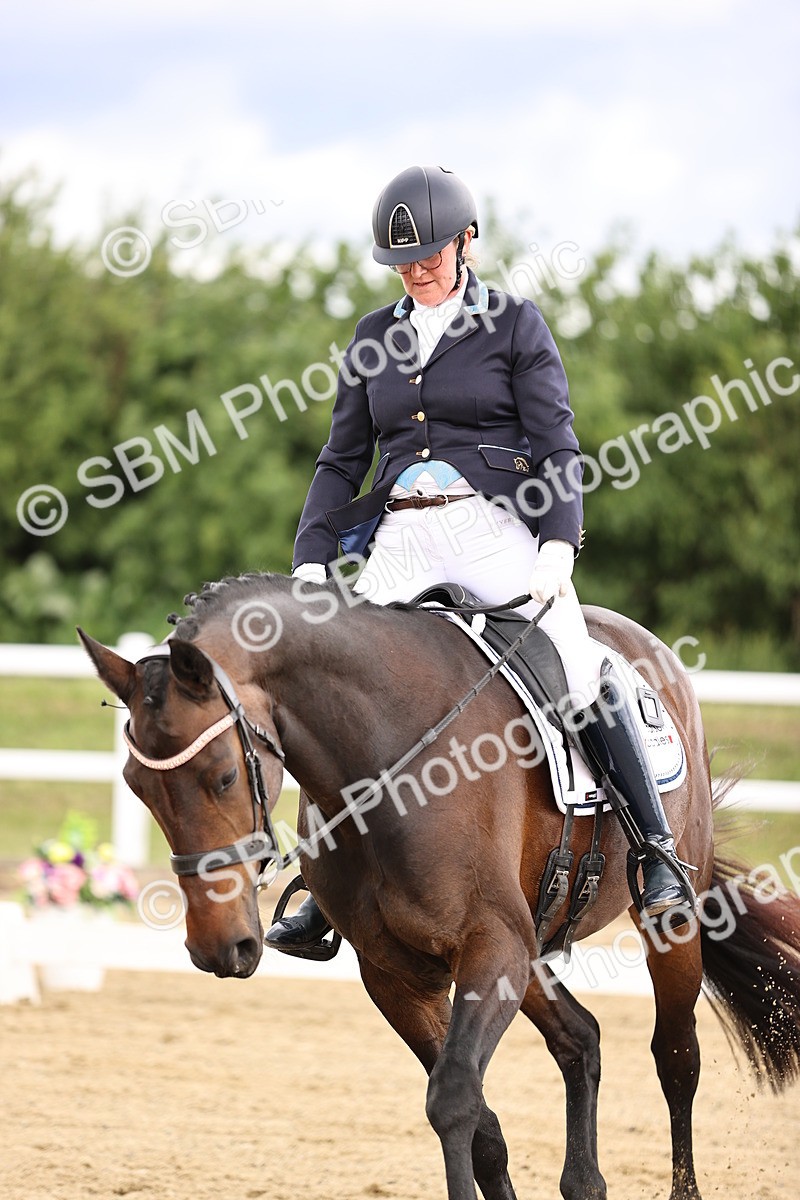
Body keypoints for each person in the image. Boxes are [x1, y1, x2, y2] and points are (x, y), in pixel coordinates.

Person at [265, 165, 693, 953]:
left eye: (431, 253)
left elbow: (556, 440)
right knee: (335, 689)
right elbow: (341, 457)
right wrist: (312, 554)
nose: (418, 269)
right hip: (399, 536)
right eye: (403, 261)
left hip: (496, 528)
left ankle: (658, 854)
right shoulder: (372, 337)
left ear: (466, 241)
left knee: (577, 664)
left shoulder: (514, 324)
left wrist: (560, 541)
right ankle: (321, 886)